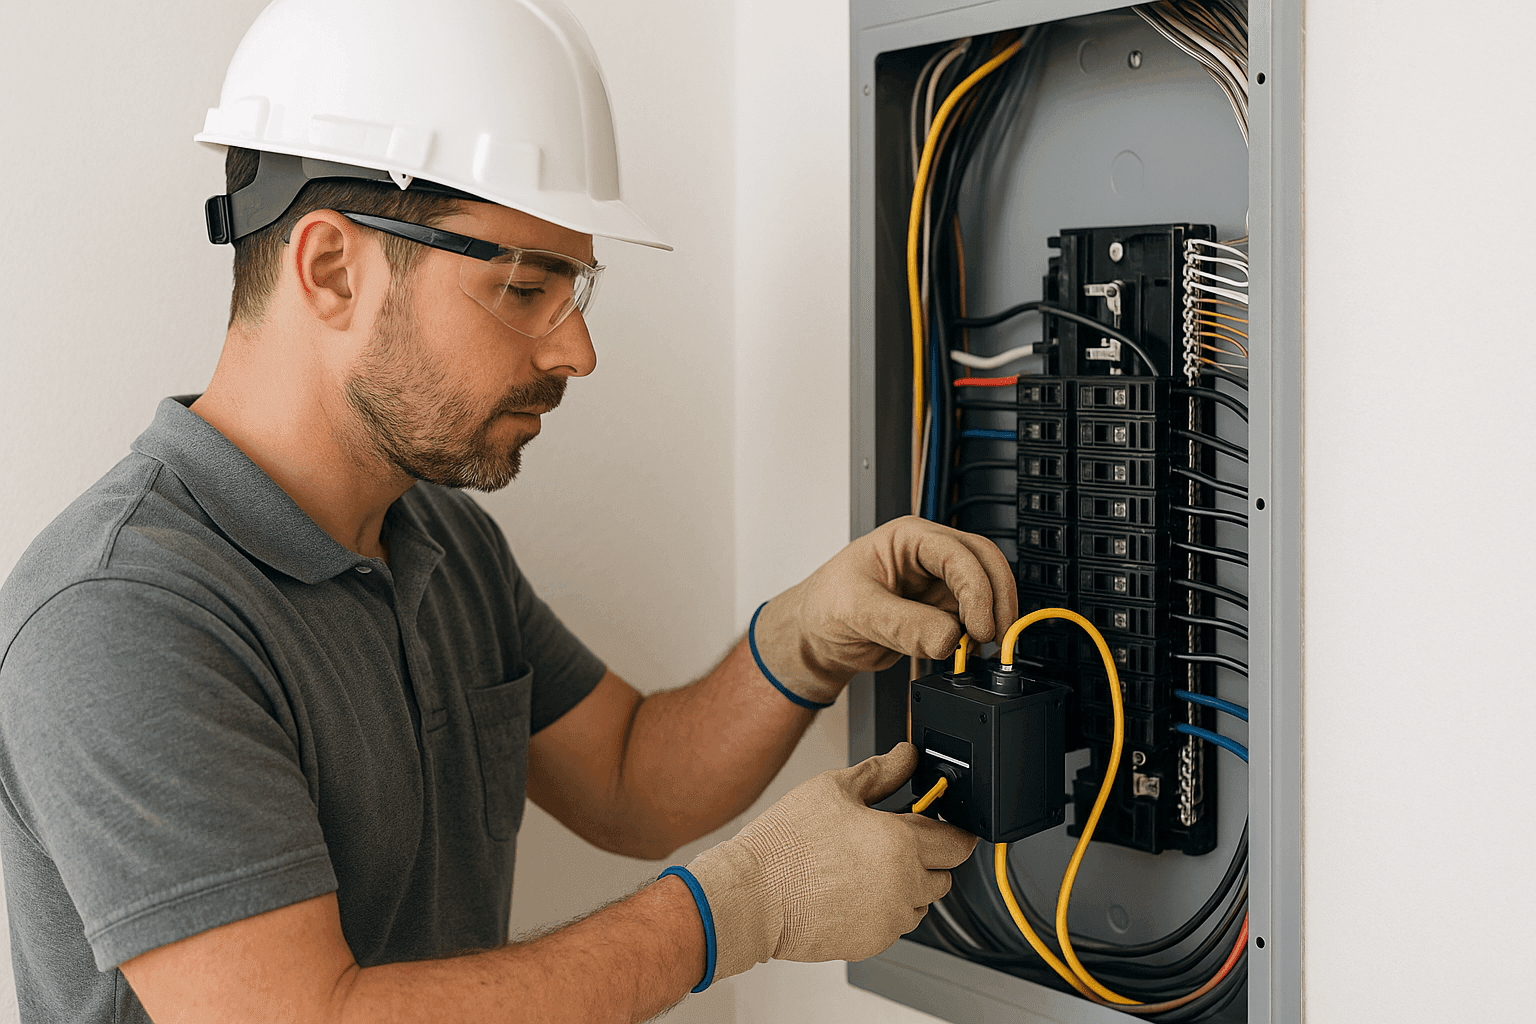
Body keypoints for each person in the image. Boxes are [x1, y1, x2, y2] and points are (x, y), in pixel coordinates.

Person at [0, 1, 1017, 1021]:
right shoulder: (119, 617)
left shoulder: (438, 537)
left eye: (572, 291)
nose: (576, 352)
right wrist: (743, 908)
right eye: (526, 289)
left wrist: (803, 639)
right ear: (330, 268)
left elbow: (630, 776)